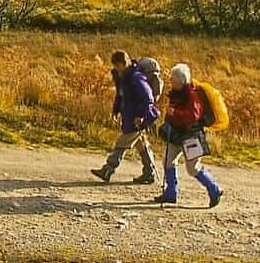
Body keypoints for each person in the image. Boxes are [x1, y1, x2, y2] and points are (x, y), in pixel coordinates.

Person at [155, 62, 223, 208]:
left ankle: (214, 189)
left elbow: (193, 115)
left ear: (180, 81)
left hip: (192, 136)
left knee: (193, 168)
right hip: (176, 134)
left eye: (172, 79)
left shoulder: (192, 95)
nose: (170, 81)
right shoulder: (177, 92)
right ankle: (171, 193)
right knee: (168, 160)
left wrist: (175, 114)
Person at [89, 50, 158, 185]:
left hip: (136, 118)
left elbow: (148, 98)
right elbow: (120, 95)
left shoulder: (136, 78)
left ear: (124, 63)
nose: (115, 68)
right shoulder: (123, 77)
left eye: (117, 65)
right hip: (131, 116)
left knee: (121, 143)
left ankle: (108, 170)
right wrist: (115, 110)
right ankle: (149, 172)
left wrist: (141, 116)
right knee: (142, 146)